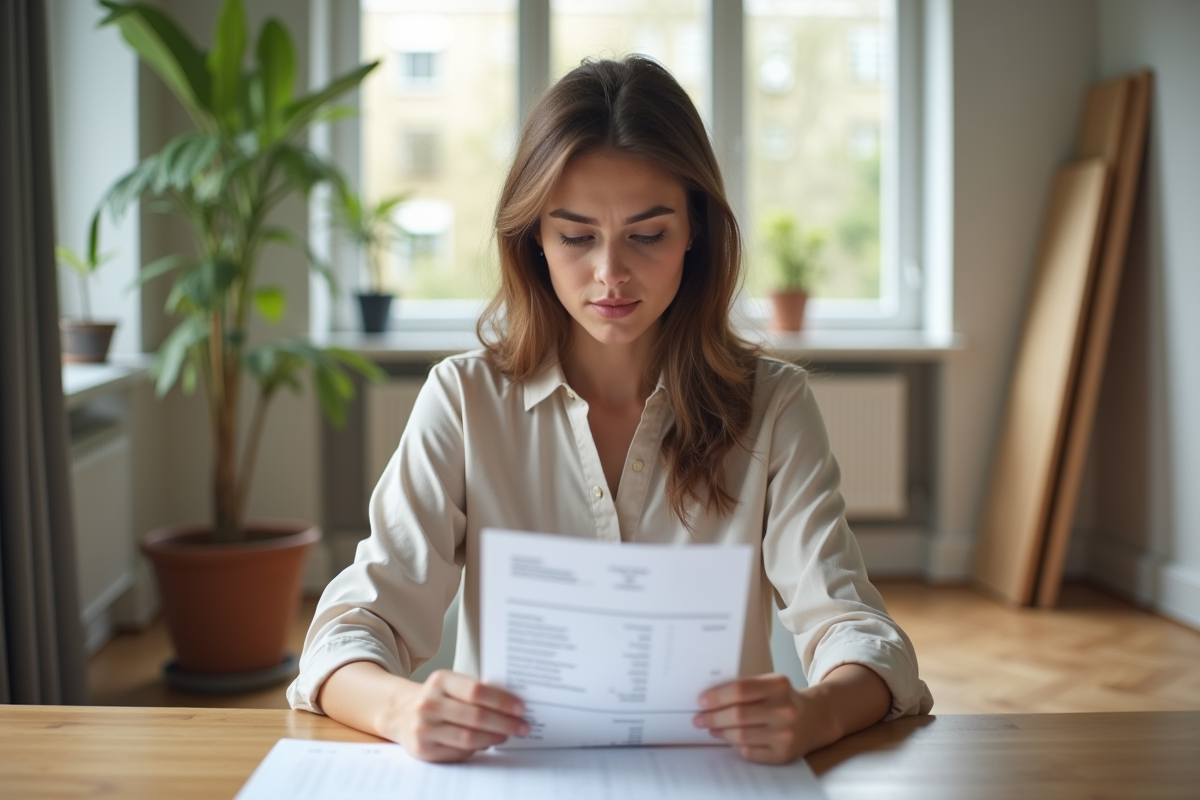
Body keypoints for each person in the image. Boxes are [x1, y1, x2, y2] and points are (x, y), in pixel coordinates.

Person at [288, 55, 933, 765]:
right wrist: (403, 708)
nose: (611, 274)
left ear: (696, 233)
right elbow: (351, 631)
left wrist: (817, 713)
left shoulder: (773, 405)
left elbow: (857, 630)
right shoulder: (463, 400)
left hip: (715, 779)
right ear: (534, 237)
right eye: (576, 236)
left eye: (648, 234)